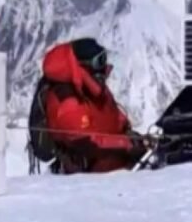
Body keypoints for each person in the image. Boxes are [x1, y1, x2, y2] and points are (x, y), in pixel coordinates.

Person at [35, 38, 149, 174]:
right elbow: (86, 143)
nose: (103, 66)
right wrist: (126, 143)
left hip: (115, 169)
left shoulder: (93, 89)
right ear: (82, 66)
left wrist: (131, 135)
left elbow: (113, 114)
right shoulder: (68, 102)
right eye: (99, 61)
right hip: (87, 181)